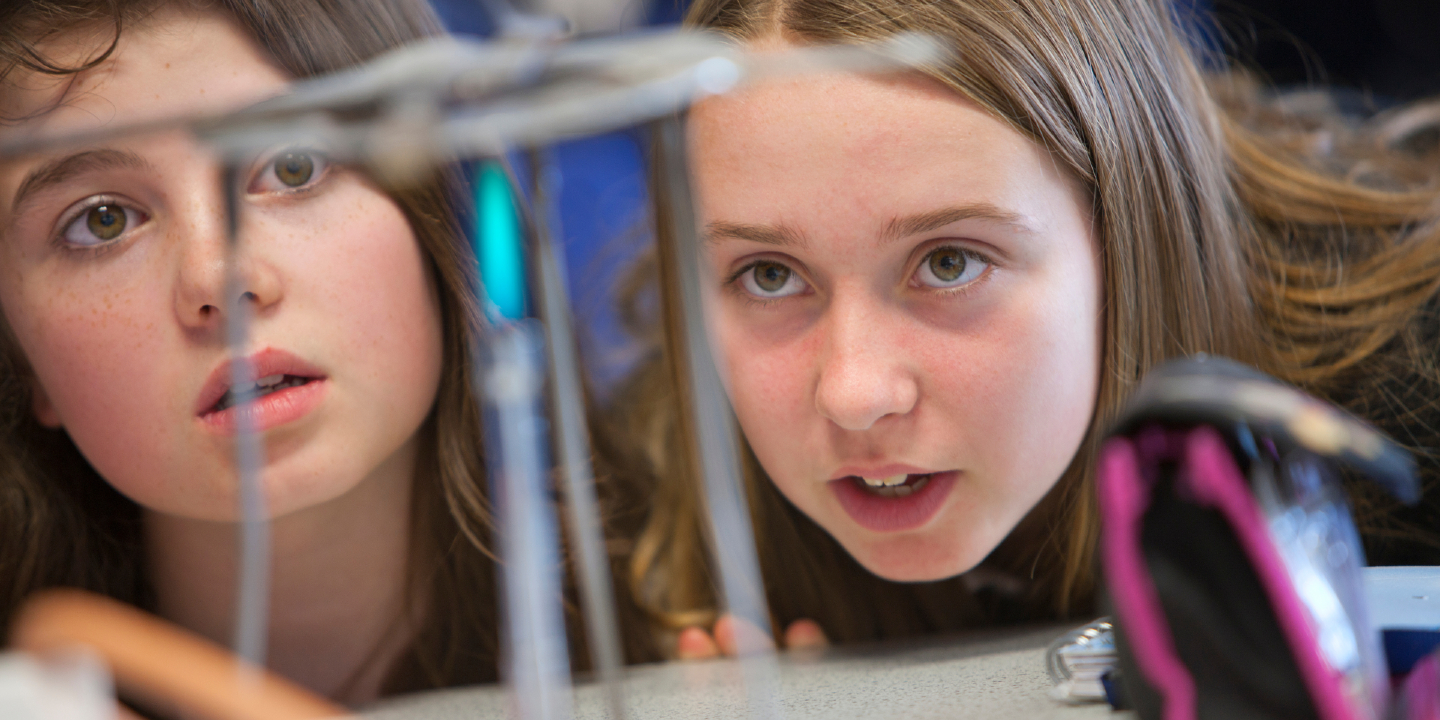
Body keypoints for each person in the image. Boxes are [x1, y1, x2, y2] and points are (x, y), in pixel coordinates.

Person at [603, 0, 1440, 658]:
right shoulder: (655, 495)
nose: (855, 394)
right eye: (770, 276)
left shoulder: (1411, 419)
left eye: (950, 263)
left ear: (1128, 232)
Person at [0, 0, 660, 708]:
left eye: (292, 166)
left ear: (438, 216)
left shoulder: (701, 620)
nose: (220, 277)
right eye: (102, 221)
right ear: (22, 358)